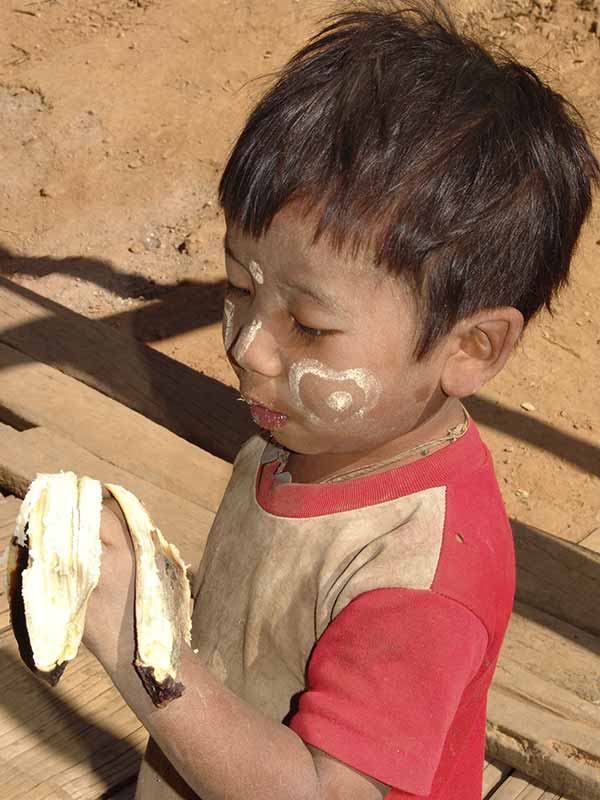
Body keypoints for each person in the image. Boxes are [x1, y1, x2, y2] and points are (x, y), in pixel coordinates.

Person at [83, 3, 599, 799]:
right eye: (235, 287)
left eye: (311, 327)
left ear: (472, 347)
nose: (247, 347)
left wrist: (139, 646)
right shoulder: (304, 432)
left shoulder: (417, 578)